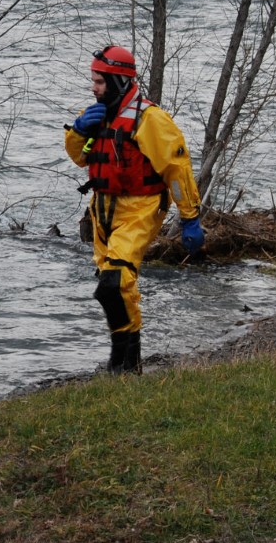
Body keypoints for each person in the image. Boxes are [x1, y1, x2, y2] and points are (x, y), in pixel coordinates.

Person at [64, 45, 203, 374]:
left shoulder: (150, 119)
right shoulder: (97, 116)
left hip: (140, 209)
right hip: (103, 210)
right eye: (93, 80)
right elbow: (81, 158)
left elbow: (177, 171)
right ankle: (126, 358)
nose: (94, 88)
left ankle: (125, 360)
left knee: (115, 281)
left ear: (119, 82)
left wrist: (190, 217)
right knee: (109, 289)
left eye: (100, 82)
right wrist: (78, 131)